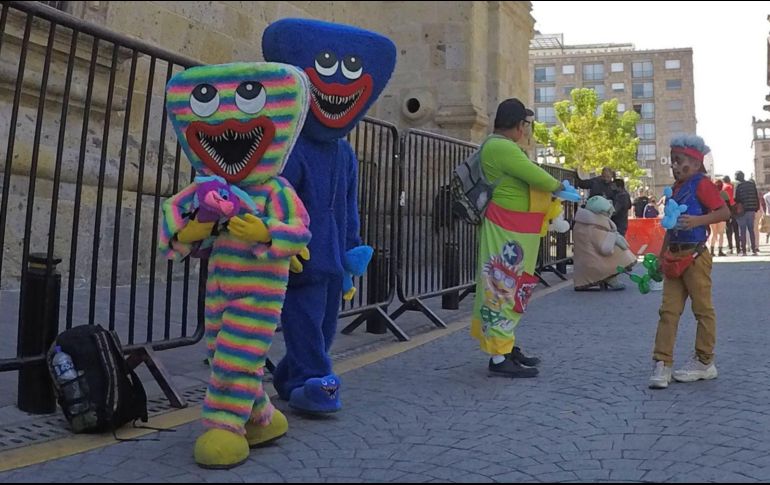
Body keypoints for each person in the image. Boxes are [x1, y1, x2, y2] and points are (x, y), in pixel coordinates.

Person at [470, 98, 563, 378]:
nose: (527, 129)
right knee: (502, 286)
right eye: (526, 124)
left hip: (515, 228)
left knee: (511, 286)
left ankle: (505, 345)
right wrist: (560, 186)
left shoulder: (500, 146)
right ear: (519, 124)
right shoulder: (501, 146)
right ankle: (499, 357)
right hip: (507, 229)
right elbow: (539, 177)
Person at [649, 135, 729, 390]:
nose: (674, 165)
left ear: (695, 163)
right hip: (674, 255)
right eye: (672, 161)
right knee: (668, 311)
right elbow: (670, 229)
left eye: (679, 160)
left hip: (695, 256)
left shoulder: (701, 184)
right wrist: (662, 256)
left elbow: (724, 211)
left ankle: (705, 361)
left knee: (703, 309)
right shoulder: (674, 189)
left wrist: (697, 221)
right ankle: (663, 362)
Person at [734, 171, 760, 256]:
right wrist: (756, 207)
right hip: (752, 210)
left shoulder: (739, 186)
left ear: (738, 177)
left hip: (743, 211)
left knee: (742, 230)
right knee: (751, 230)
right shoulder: (751, 184)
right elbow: (756, 196)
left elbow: (736, 199)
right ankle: (753, 250)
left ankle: (744, 251)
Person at [708, 179, 727, 256]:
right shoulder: (724, 194)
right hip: (721, 215)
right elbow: (728, 205)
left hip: (713, 215)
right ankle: (720, 250)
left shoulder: (710, 194)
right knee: (721, 233)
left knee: (714, 233)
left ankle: (712, 250)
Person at [721, 176, 740, 254]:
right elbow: (733, 199)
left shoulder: (724, 187)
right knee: (736, 230)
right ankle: (738, 248)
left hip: (727, 210)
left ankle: (730, 247)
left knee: (729, 230)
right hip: (734, 210)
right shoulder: (732, 186)